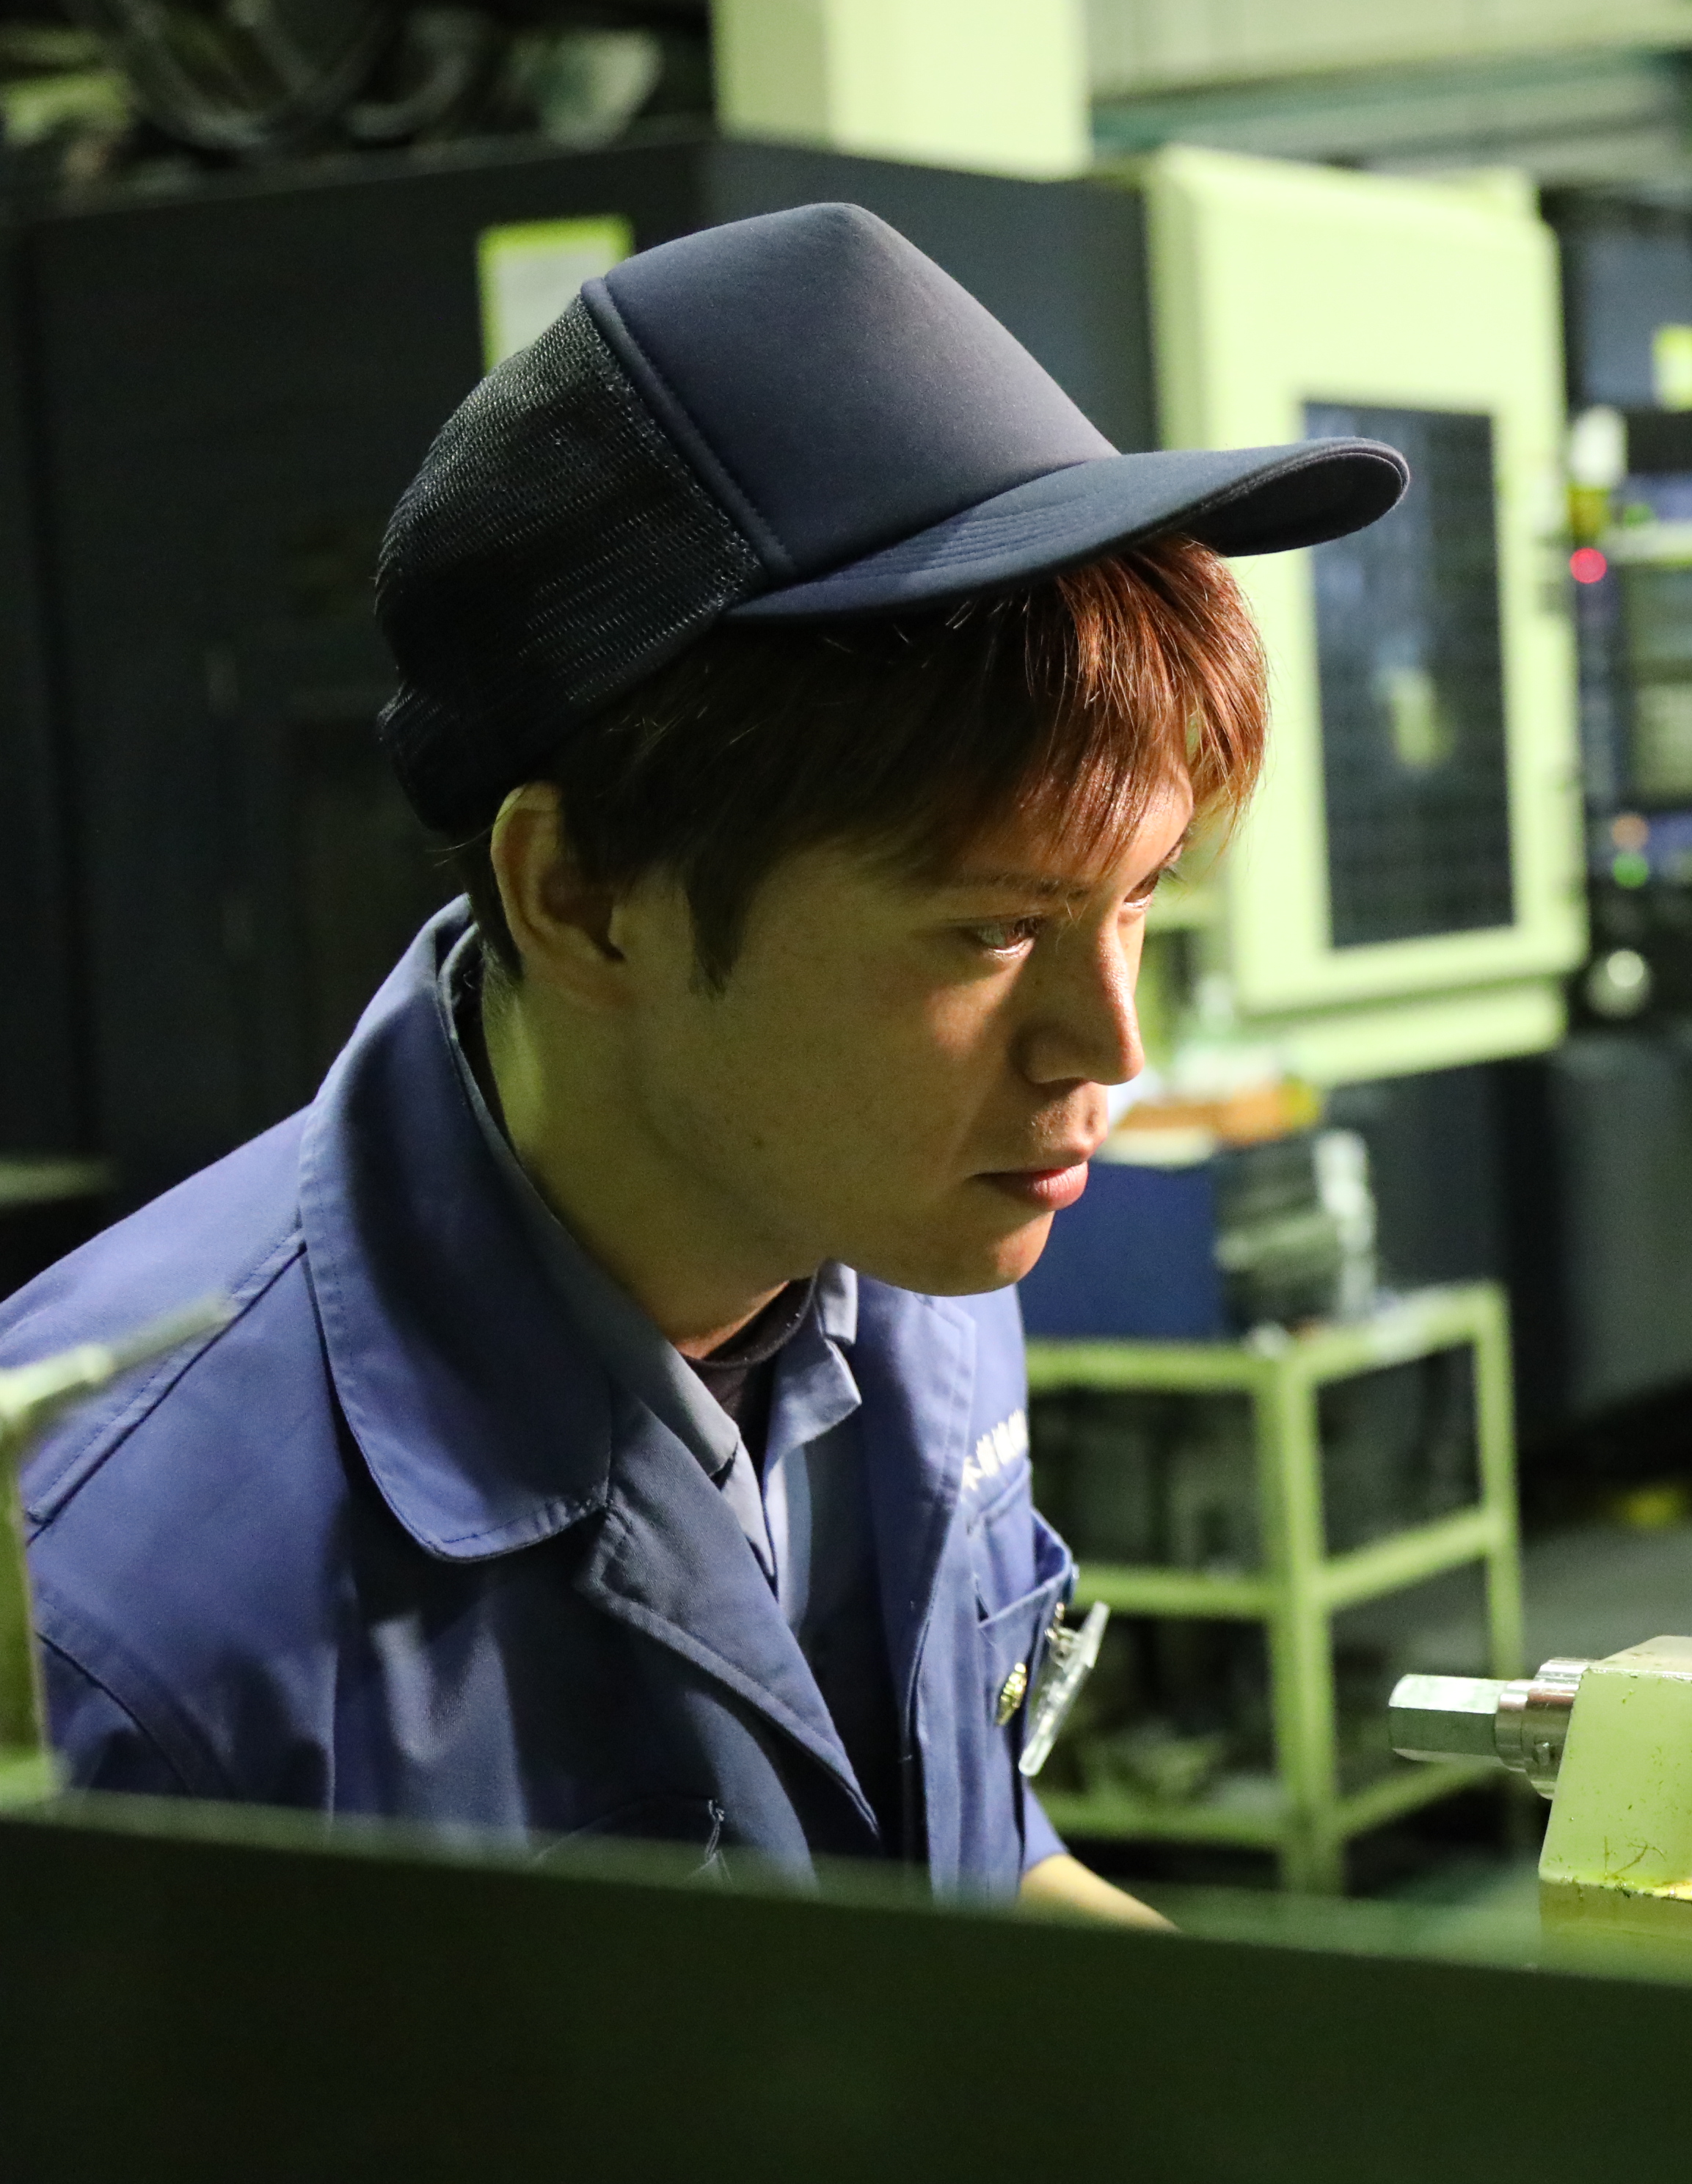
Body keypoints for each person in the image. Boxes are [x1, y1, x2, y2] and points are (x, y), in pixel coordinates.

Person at [0, 203, 1404, 1915]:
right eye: (991, 930)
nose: (1108, 1046)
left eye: (1140, 901)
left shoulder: (902, 1259)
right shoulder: (108, 1610)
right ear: (584, 898)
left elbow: (967, 1865)